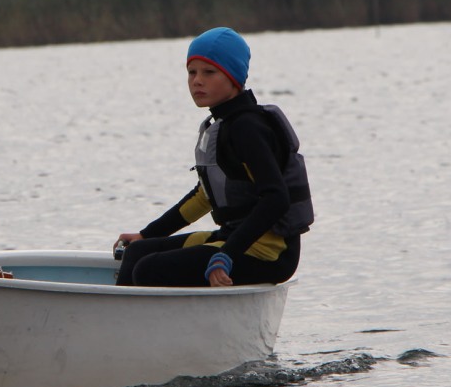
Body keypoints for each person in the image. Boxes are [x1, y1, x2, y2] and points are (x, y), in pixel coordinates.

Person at [115, 26, 313, 287]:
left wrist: (226, 255)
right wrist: (146, 234)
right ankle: (119, 314)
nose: (197, 81)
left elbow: (277, 198)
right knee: (138, 252)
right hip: (233, 239)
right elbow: (204, 197)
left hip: (268, 253)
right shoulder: (224, 124)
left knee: (149, 270)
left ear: (234, 78)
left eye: (209, 72)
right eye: (192, 72)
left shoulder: (247, 128)